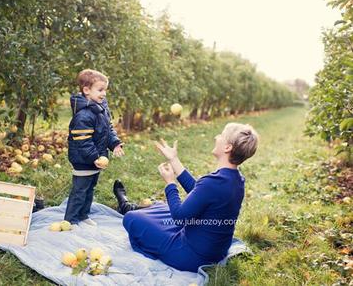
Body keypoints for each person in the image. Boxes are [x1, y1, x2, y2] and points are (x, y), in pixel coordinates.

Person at [113, 123, 258, 272]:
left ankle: (126, 208)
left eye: (221, 135)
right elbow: (200, 191)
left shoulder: (212, 183)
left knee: (131, 218)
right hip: (215, 251)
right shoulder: (237, 179)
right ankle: (131, 207)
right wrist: (173, 159)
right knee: (161, 206)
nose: (217, 137)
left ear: (227, 147)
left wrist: (170, 183)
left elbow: (179, 218)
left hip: (191, 255)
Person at [65, 69, 125, 226]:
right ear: (86, 91)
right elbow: (83, 141)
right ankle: (70, 220)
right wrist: (94, 157)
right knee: (80, 190)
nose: (104, 93)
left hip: (96, 159)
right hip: (84, 159)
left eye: (105, 90)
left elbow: (107, 129)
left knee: (90, 188)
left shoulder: (101, 108)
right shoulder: (83, 115)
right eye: (100, 90)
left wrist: (115, 143)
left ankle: (83, 215)